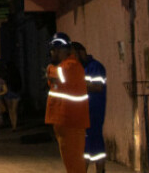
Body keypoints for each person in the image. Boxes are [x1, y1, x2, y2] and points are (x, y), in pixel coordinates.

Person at [46, 32, 90, 173]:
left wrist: (49, 69)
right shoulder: (65, 66)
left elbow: (55, 75)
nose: (51, 54)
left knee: (74, 163)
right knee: (70, 162)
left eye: (52, 50)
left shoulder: (71, 66)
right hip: (63, 120)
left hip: (71, 120)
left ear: (59, 50)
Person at [73, 42, 107, 173]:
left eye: (73, 55)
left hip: (94, 112)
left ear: (80, 52)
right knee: (84, 147)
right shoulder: (79, 68)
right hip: (83, 112)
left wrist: (78, 84)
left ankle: (100, 170)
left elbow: (98, 87)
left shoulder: (95, 67)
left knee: (95, 145)